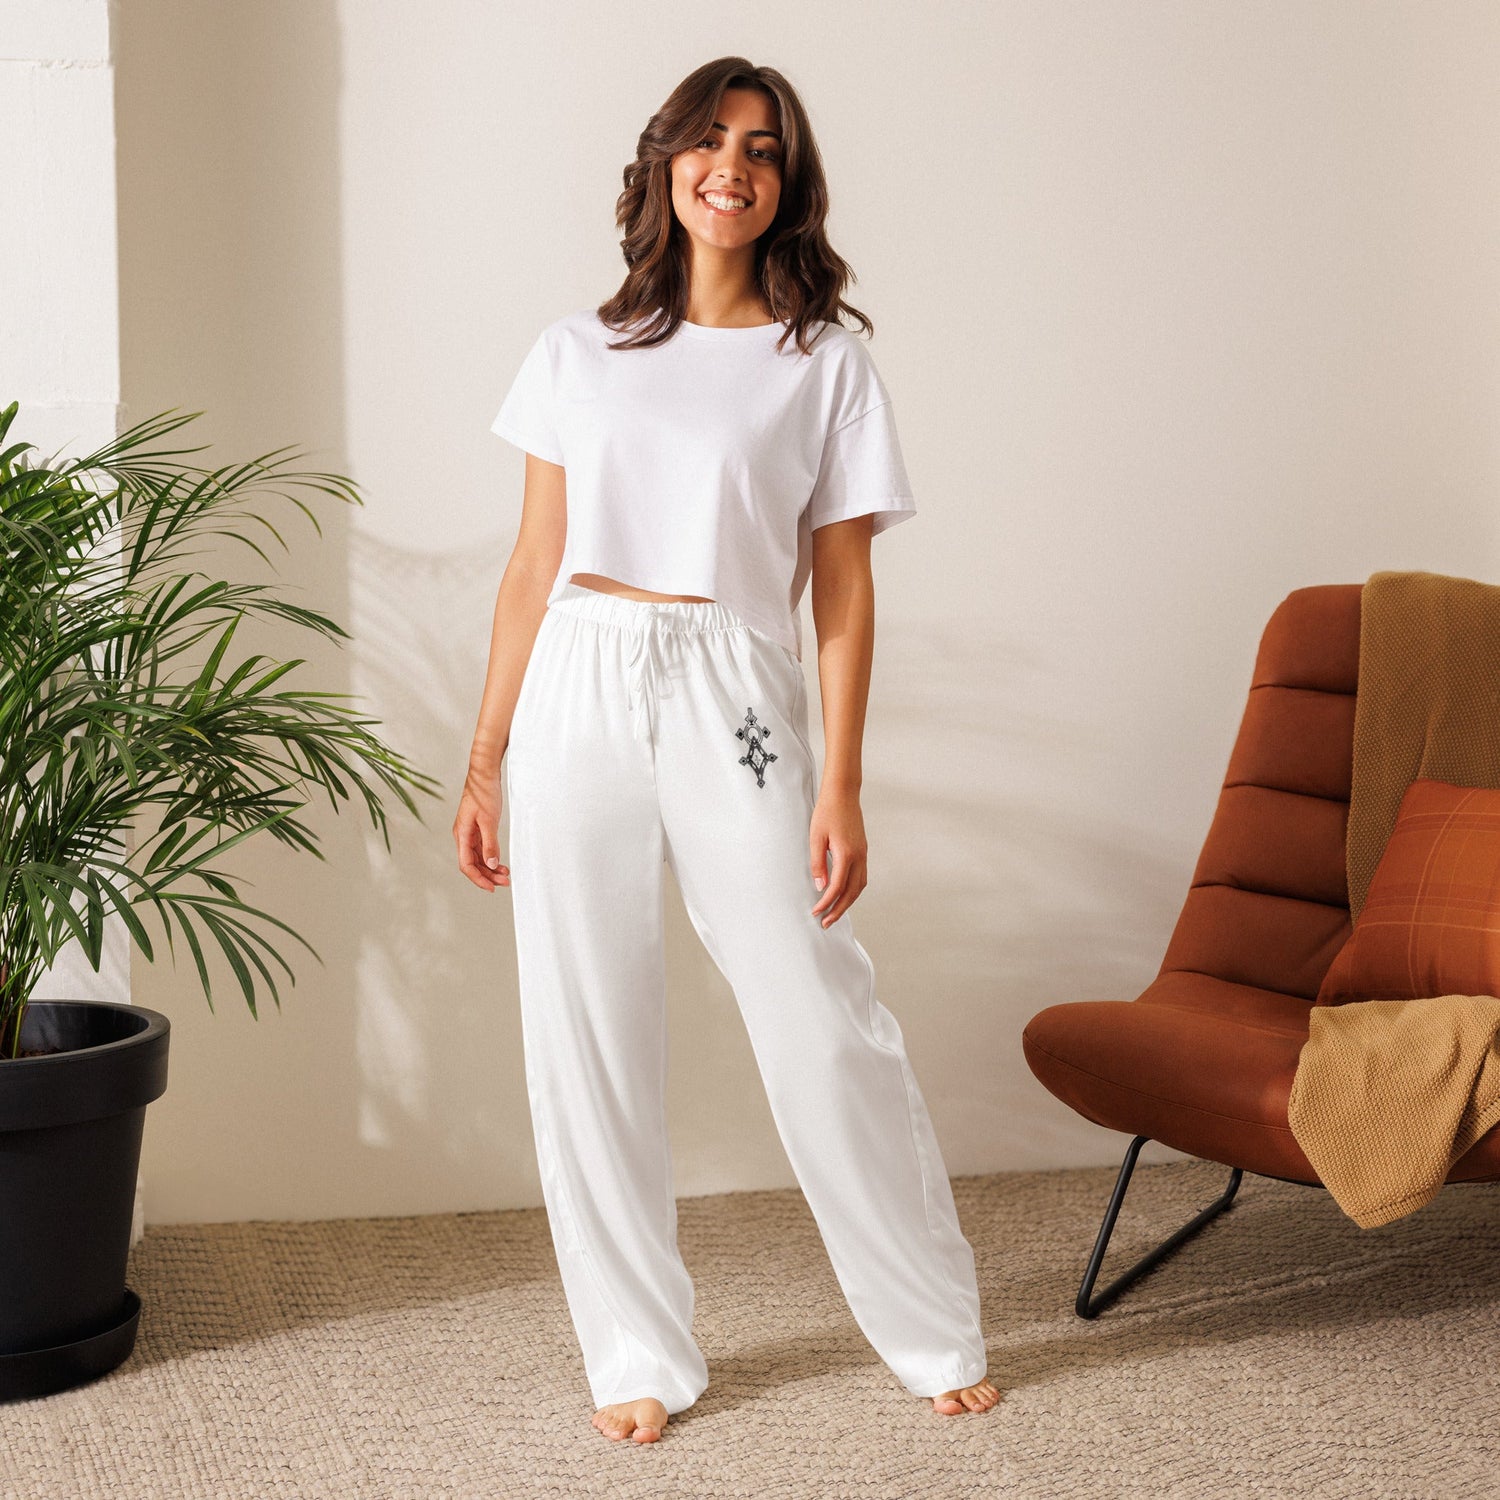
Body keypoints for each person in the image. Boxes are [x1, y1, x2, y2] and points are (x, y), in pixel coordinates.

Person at [454, 56, 998, 1445]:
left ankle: (929, 1322)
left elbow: (845, 590)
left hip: (733, 691)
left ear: (788, 185)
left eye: (761, 149)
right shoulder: (575, 353)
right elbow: (532, 566)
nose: (730, 167)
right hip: (577, 674)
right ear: (664, 166)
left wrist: (845, 779)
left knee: (816, 1013)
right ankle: (636, 1348)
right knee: (585, 1024)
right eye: (707, 142)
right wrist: (485, 753)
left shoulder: (823, 364)